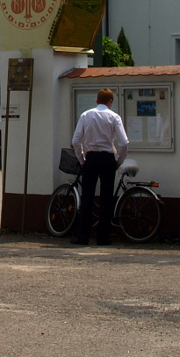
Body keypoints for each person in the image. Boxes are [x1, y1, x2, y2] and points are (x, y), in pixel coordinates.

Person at [70, 88, 128, 245]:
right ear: (110, 102)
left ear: (96, 101)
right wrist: (118, 161)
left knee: (87, 197)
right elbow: (124, 143)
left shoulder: (86, 115)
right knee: (106, 198)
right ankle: (103, 237)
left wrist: (82, 159)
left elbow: (76, 141)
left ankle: (83, 237)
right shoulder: (114, 117)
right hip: (107, 158)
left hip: (91, 158)